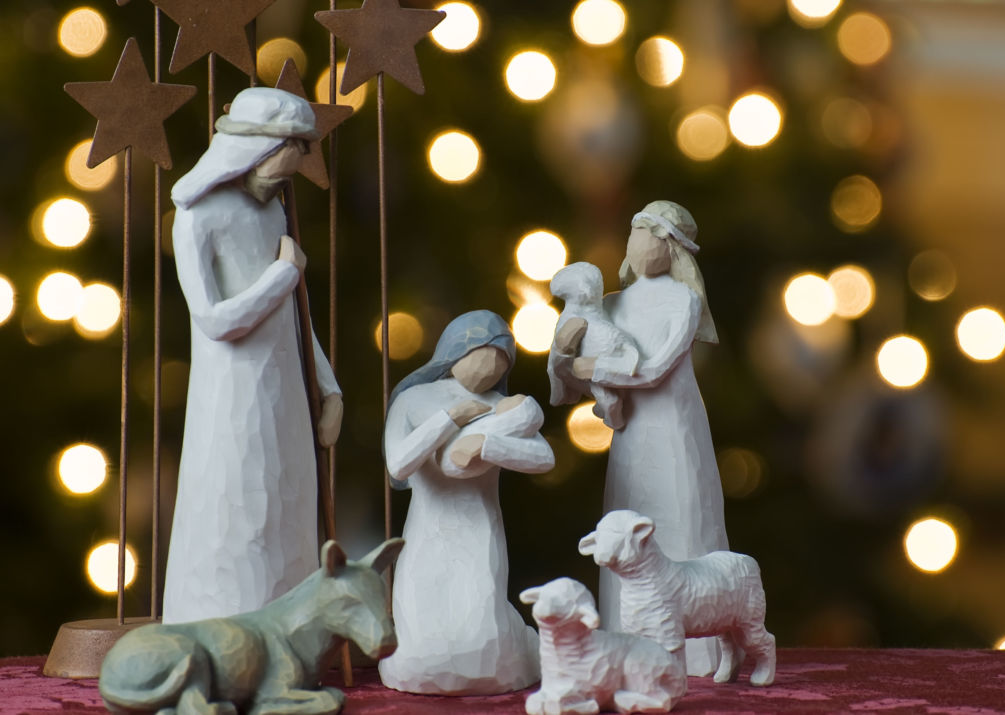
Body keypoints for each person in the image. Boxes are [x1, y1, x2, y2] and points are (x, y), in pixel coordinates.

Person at [162, 87, 342, 624]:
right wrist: (284, 274)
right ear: (257, 148)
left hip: (287, 395)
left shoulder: (274, 215)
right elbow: (215, 320)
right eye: (296, 149)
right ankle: (225, 630)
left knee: (287, 507)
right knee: (237, 509)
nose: (302, 164)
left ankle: (291, 631)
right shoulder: (197, 218)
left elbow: (297, 316)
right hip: (233, 399)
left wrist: (327, 388)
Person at [552, 200, 729, 676]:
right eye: (635, 232)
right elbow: (572, 371)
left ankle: (697, 649)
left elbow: (651, 370)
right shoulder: (611, 302)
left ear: (673, 249)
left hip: (675, 430)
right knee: (628, 520)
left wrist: (591, 367)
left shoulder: (683, 301)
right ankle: (628, 639)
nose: (639, 243)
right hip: (631, 435)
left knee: (683, 520)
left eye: (650, 234)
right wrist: (565, 358)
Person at [381, 310, 553, 695]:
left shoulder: (504, 406)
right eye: (484, 352)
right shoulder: (414, 399)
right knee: (423, 627)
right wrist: (450, 419)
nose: (491, 366)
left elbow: (544, 458)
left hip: (479, 527)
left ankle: (509, 659)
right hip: (429, 529)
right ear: (456, 350)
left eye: (501, 360)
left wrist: (489, 443)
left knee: (479, 623)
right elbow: (399, 462)